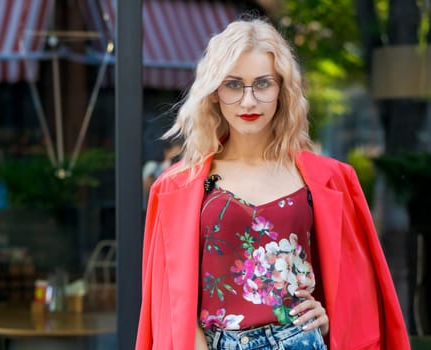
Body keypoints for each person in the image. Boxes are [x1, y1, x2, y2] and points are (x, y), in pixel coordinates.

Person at [135, 17, 410, 350]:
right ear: (214, 92)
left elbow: (355, 289)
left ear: (282, 89)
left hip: (301, 341)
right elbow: (167, 301)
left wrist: (326, 316)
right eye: (233, 84)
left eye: (262, 84)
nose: (248, 101)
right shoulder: (177, 187)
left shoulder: (330, 180)